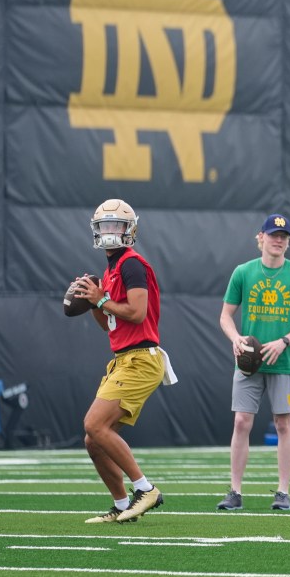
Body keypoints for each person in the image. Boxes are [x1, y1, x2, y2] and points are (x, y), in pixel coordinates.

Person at [75, 198, 175, 524]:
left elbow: (137, 312)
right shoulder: (110, 270)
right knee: (93, 439)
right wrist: (93, 302)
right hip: (122, 359)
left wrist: (102, 298)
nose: (109, 232)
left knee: (93, 424)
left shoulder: (131, 264)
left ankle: (146, 489)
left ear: (129, 230)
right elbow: (110, 324)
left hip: (141, 359)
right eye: (104, 226)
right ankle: (121, 506)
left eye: (116, 225)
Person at [217, 214, 290, 512]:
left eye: (283, 237)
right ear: (260, 237)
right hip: (248, 363)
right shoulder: (243, 272)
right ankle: (234, 491)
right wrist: (235, 338)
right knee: (241, 421)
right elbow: (225, 316)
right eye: (273, 234)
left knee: (283, 423)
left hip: (283, 362)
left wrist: (284, 341)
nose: (278, 240)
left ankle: (283, 492)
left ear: (288, 242)